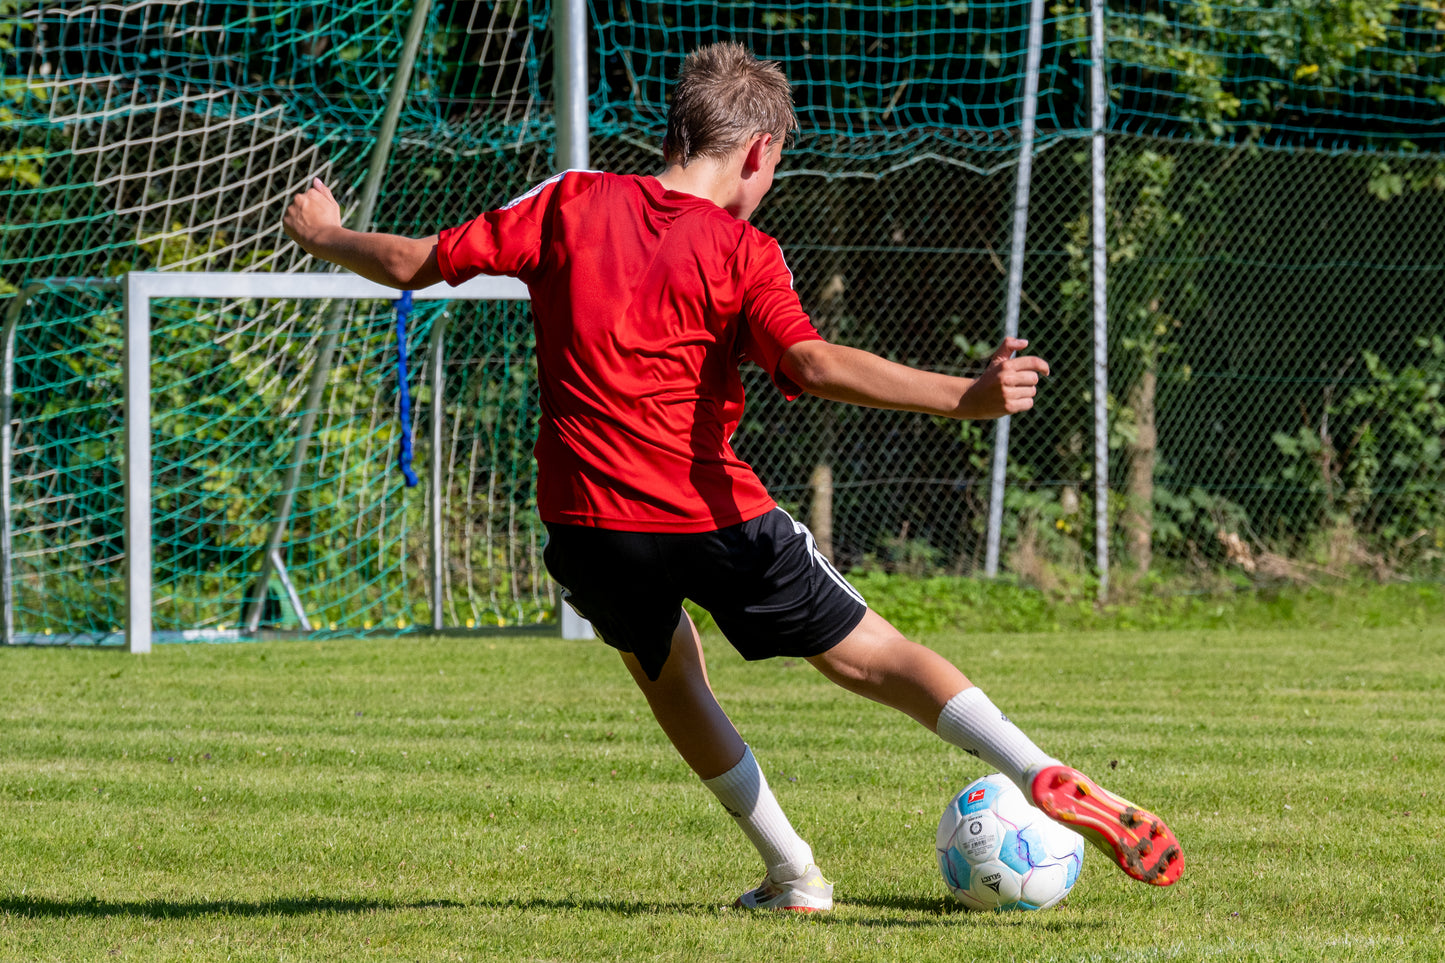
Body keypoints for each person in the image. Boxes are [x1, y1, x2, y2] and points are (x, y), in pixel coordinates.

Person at [282, 42, 1183, 911]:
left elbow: (409, 264)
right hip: (710, 511)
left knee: (672, 678)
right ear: (757, 152)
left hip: (589, 523)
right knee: (872, 656)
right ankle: (1034, 769)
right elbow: (815, 362)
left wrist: (325, 233)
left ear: (676, 133)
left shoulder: (569, 201)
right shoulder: (744, 252)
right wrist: (963, 396)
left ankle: (793, 874)